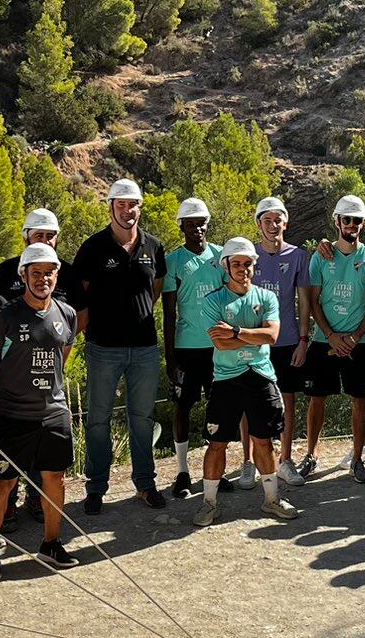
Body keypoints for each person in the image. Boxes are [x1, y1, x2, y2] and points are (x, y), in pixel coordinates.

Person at [0, 243, 80, 576]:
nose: (43, 279)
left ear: (57, 275)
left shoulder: (67, 314)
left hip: (54, 412)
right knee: (3, 483)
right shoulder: (4, 317)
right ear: (23, 275)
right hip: (14, 415)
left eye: (49, 272)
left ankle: (51, 543)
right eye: (36, 272)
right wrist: (6, 392)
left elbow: (62, 356)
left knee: (55, 479)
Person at [69, 178, 167, 513]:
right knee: (98, 420)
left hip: (144, 349)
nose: (128, 210)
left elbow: (154, 290)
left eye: (133, 204)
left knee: (142, 419)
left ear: (141, 207)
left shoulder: (154, 247)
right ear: (110, 207)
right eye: (121, 204)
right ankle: (96, 488)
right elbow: (80, 295)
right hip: (103, 348)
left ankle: (145, 484)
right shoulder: (92, 248)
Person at [196, 237, 301, 525]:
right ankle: (209, 504)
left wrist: (236, 331)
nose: (243, 269)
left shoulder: (266, 297)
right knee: (217, 443)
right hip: (226, 379)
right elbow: (220, 343)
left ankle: (271, 500)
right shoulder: (213, 300)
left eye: (248, 263)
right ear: (226, 266)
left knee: (263, 442)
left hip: (261, 376)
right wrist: (253, 336)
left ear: (254, 265)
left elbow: (272, 336)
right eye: (237, 264)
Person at [304, 195, 365, 481]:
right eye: (346, 219)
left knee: (362, 400)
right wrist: (330, 335)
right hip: (324, 339)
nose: (352, 224)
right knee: (317, 398)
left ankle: (357, 458)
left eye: (357, 220)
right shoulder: (321, 256)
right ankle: (311, 455)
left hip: (360, 343)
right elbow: (313, 301)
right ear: (337, 221)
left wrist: (354, 336)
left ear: (364, 223)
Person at [248, 195, 313, 485]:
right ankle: (249, 462)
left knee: (287, 400)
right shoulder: (249, 254)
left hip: (287, 340)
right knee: (250, 402)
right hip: (255, 340)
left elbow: (304, 301)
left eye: (278, 220)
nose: (273, 225)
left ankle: (285, 461)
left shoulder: (298, 256)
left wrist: (303, 339)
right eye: (267, 220)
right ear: (258, 224)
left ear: (286, 223)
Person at [163, 197, 223, 498]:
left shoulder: (222, 256)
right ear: (182, 227)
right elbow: (169, 313)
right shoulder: (173, 261)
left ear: (207, 224)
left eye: (201, 223)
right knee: (183, 407)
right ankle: (183, 472)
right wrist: (170, 358)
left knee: (217, 408)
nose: (197, 229)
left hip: (217, 347)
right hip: (186, 348)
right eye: (190, 224)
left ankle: (214, 470)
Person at [0, 209, 59, 304]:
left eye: (50, 236)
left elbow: (78, 310)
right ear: (26, 240)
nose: (45, 241)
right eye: (39, 236)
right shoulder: (6, 270)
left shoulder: (67, 272)